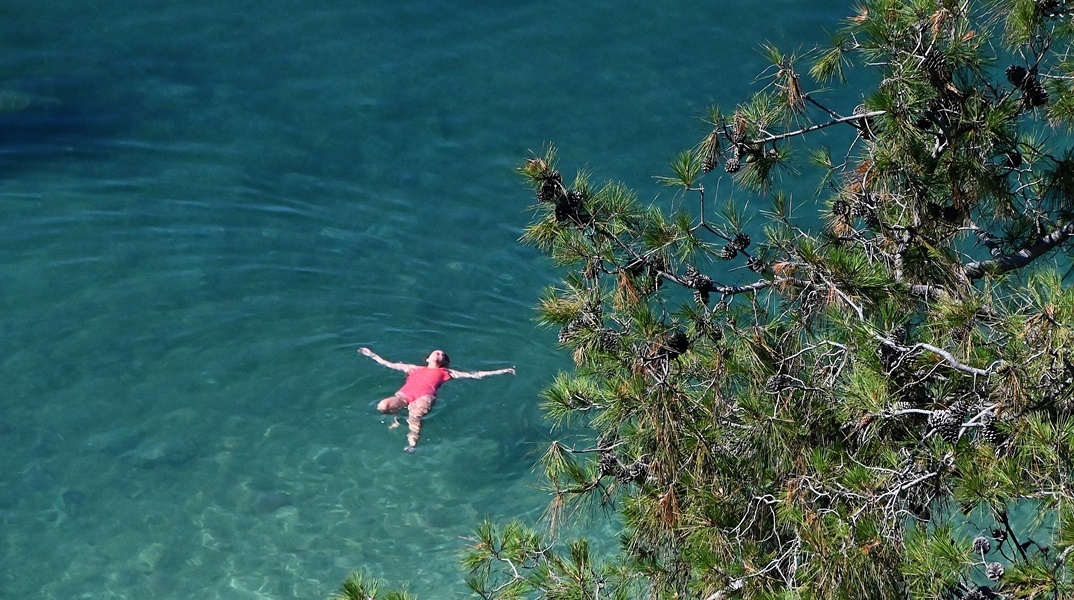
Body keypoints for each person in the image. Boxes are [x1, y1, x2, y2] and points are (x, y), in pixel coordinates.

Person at [358, 347, 515, 452]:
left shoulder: (447, 372)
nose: (439, 354)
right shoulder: (414, 368)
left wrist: (501, 371)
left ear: (444, 362)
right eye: (436, 352)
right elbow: (389, 364)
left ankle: (412, 445)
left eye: (442, 355)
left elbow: (475, 375)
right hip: (404, 394)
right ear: (427, 358)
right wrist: (371, 354)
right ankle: (396, 417)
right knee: (383, 406)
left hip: (424, 397)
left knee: (414, 418)